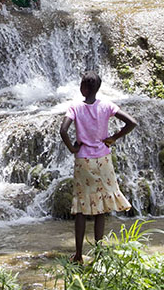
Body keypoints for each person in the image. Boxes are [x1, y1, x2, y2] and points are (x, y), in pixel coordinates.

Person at [60, 71, 137, 263]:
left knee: (81, 208)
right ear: (98, 88)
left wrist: (72, 148)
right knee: (101, 207)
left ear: (83, 88)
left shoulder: (75, 107)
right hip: (103, 159)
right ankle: (99, 252)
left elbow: (63, 130)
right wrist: (114, 138)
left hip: (84, 160)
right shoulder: (107, 105)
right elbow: (132, 122)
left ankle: (78, 255)